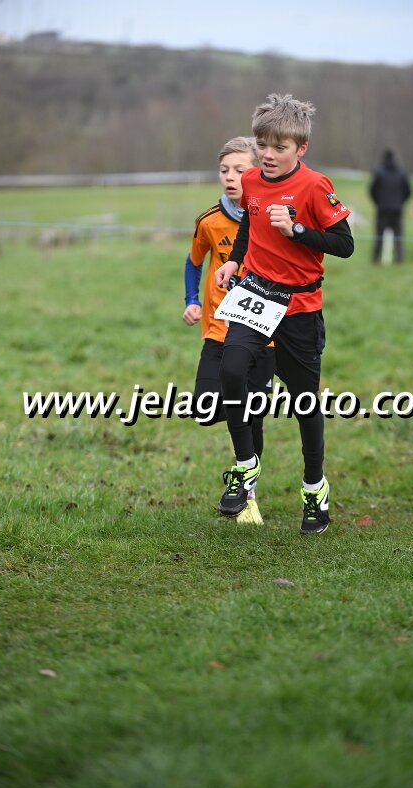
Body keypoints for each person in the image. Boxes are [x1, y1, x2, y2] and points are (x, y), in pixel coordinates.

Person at [214, 94, 354, 534]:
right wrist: (235, 261)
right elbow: (248, 226)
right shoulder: (251, 181)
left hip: (300, 306)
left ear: (301, 148)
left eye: (280, 147)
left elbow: (345, 245)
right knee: (231, 370)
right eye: (262, 145)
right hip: (255, 293)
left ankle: (314, 488)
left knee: (304, 402)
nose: (268, 155)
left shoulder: (315, 186)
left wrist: (297, 230)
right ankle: (245, 465)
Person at [182, 135, 275, 523]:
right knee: (206, 409)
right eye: (224, 170)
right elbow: (193, 262)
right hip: (218, 330)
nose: (230, 177)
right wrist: (192, 300)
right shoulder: (208, 221)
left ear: (257, 172)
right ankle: (245, 460)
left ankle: (247, 492)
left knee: (254, 415)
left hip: (263, 334)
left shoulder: (272, 217)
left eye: (240, 169)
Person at [369, 148, 411, 264]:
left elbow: (372, 190)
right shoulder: (402, 172)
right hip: (397, 209)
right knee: (398, 235)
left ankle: (376, 258)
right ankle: (399, 258)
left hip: (382, 209)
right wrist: (400, 202)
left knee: (379, 235)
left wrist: (379, 202)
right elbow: (408, 191)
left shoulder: (379, 172)